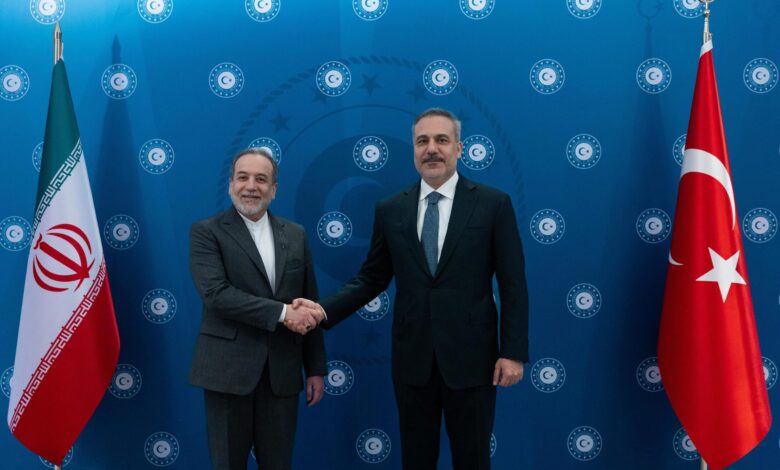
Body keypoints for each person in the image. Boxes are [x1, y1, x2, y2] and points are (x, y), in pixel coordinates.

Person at [297, 108, 529, 469]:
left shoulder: (493, 204)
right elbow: (371, 278)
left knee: (473, 460)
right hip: (413, 362)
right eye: (422, 141)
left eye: (441, 140)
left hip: (473, 361)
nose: (431, 148)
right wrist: (323, 310)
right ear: (414, 150)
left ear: (459, 148)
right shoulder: (391, 209)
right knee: (416, 460)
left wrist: (512, 352)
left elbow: (513, 284)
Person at [188, 148, 327, 470]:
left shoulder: (296, 234)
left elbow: (309, 300)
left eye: (261, 179)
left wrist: (315, 367)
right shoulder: (206, 232)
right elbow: (217, 294)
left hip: (282, 372)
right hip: (227, 374)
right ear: (231, 185)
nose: (251, 186)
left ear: (273, 189)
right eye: (243, 177)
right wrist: (283, 313)